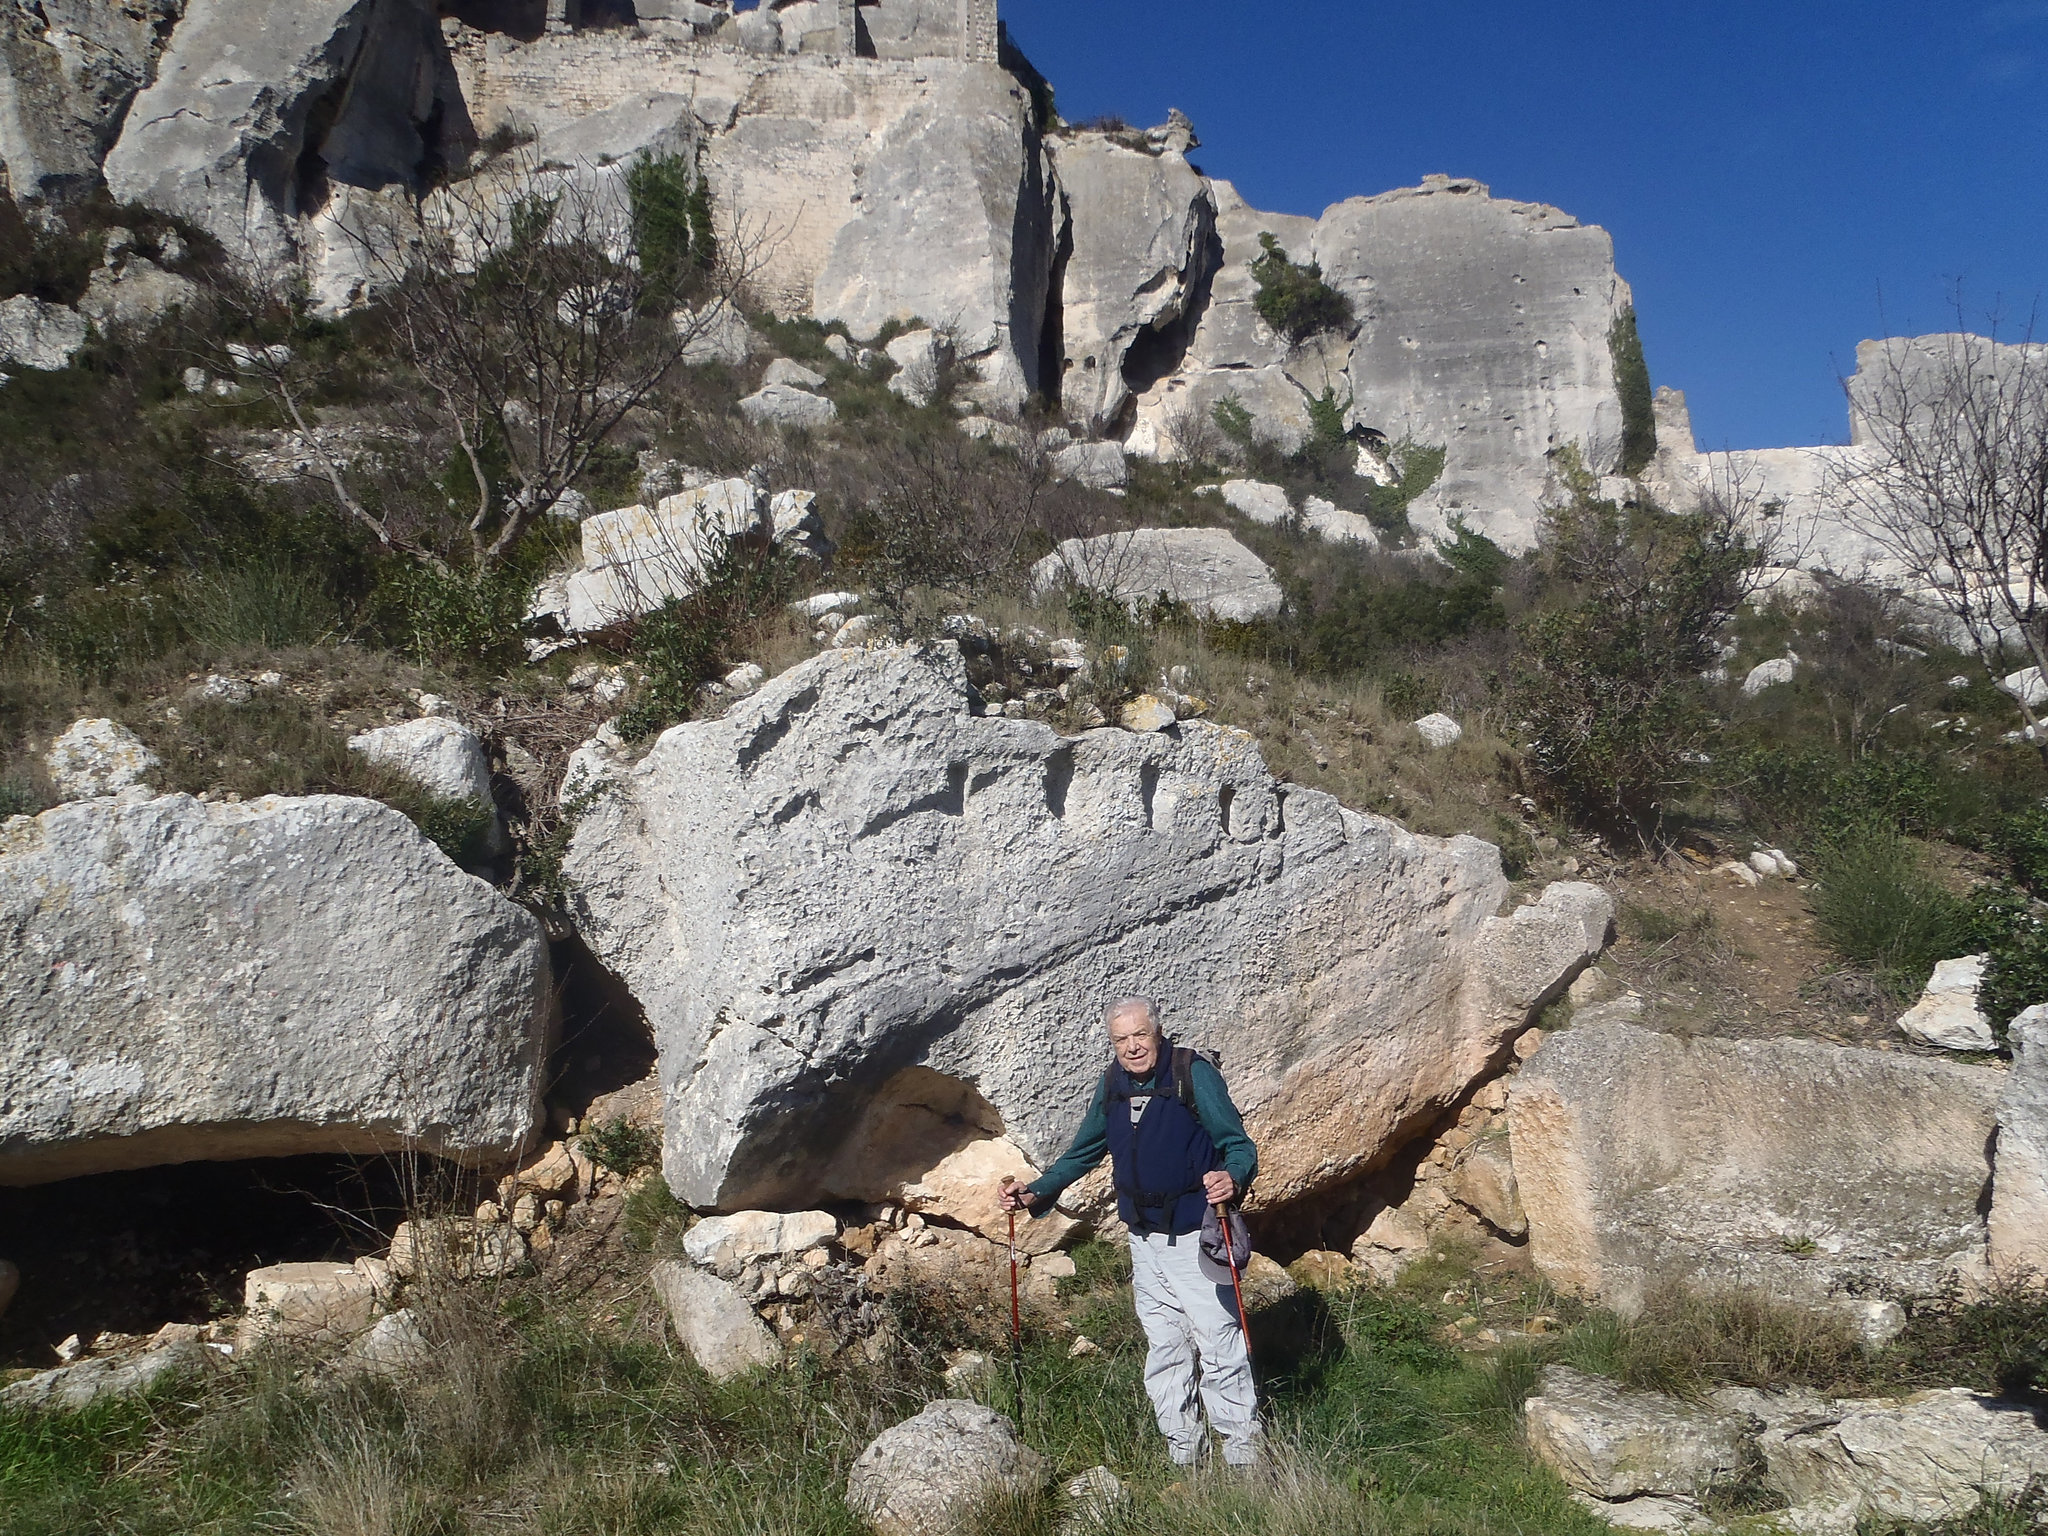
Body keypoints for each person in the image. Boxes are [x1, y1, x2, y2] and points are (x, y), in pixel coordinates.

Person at [999, 995, 1260, 1467]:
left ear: (1157, 1032)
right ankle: (1186, 1458)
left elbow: (1237, 1144)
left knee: (1219, 1346)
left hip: (1195, 1238)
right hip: (1143, 1242)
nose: (1133, 1047)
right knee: (1165, 1350)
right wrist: (1036, 1192)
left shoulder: (1192, 1073)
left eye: (1140, 1035)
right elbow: (1084, 1151)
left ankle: (1244, 1462)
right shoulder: (1113, 1083)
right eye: (1121, 1039)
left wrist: (1233, 1177)